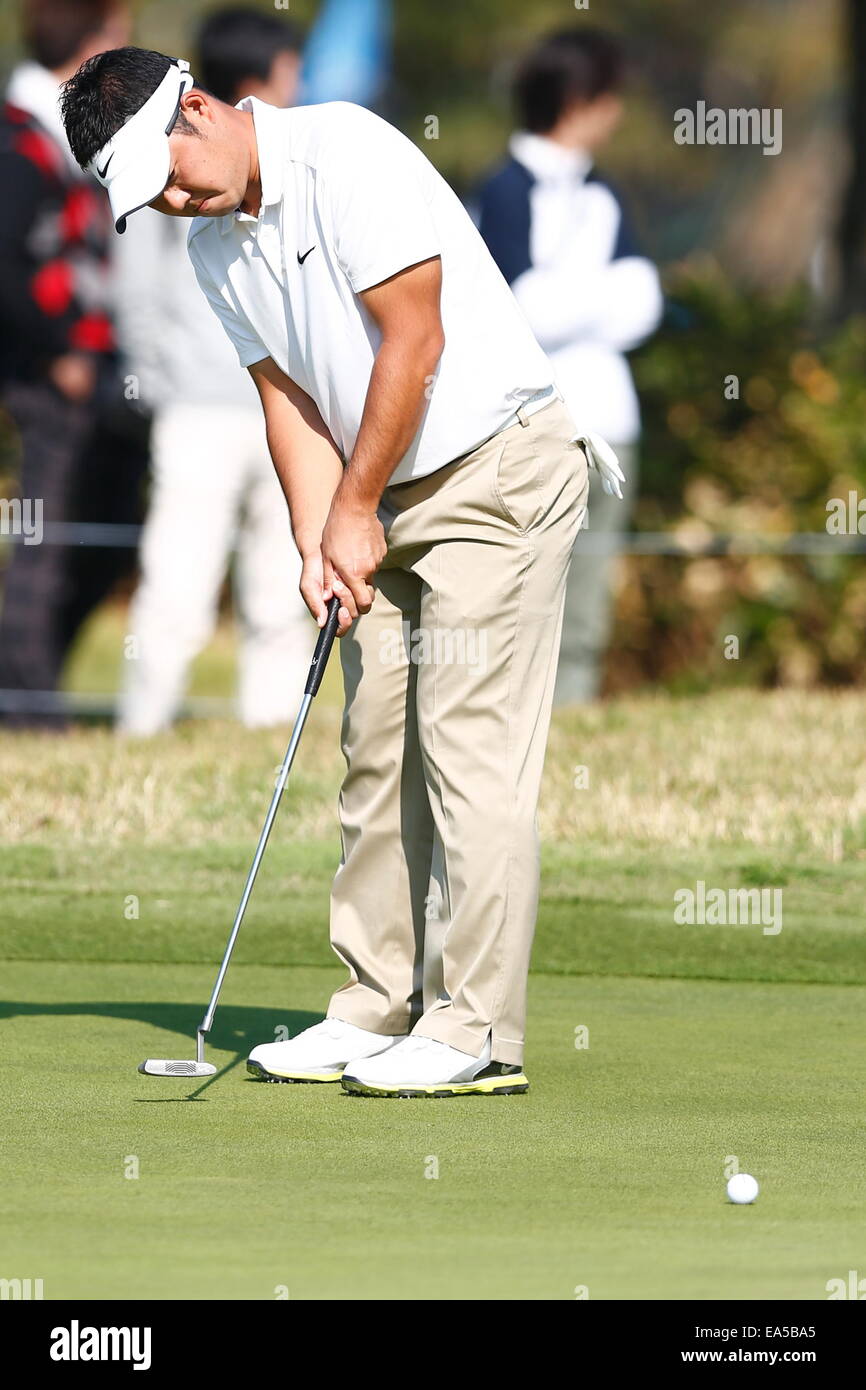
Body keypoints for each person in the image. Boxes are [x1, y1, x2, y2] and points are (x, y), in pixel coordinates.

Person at [60, 47, 620, 1098]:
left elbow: (413, 345)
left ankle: (476, 1028)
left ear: (197, 107)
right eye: (152, 201)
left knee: (465, 750)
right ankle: (373, 1005)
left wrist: (357, 508)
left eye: (173, 176)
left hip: (493, 470)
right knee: (372, 752)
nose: (176, 203)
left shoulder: (345, 151)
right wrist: (318, 538)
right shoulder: (212, 248)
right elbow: (288, 400)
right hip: (382, 488)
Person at [113, 9, 311, 734]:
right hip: (198, 409)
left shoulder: (293, 170)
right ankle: (143, 727)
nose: (300, 84)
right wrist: (159, 383)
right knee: (176, 580)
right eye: (291, 69)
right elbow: (136, 295)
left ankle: (269, 731)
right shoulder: (165, 161)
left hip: (290, 408)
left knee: (281, 581)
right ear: (256, 77)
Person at [478, 27, 663, 703]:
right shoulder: (501, 189)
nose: (615, 114)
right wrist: (597, 292)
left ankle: (575, 714)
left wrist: (567, 291)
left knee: (589, 590)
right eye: (608, 97)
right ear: (579, 99)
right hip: (535, 421)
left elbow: (644, 303)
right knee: (526, 589)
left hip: (612, 420)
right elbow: (521, 308)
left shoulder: (603, 193)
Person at [0, 0, 147, 729]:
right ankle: (25, 709)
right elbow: (7, 265)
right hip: (48, 373)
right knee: (43, 542)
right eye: (117, 34)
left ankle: (35, 680)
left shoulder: (62, 126)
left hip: (101, 365)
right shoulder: (16, 134)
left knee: (106, 530)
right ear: (92, 40)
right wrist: (59, 347)